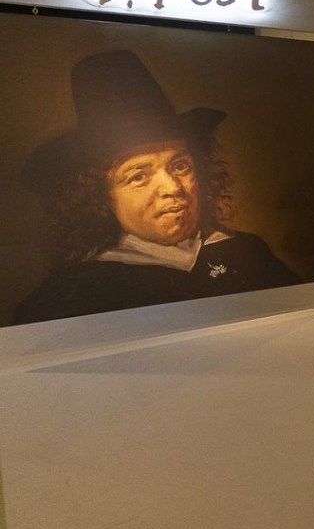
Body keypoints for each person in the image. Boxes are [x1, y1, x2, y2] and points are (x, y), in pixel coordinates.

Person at [15, 49, 299, 324]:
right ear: (100, 197)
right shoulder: (71, 298)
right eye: (139, 176)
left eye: (180, 166)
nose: (173, 188)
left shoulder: (248, 252)